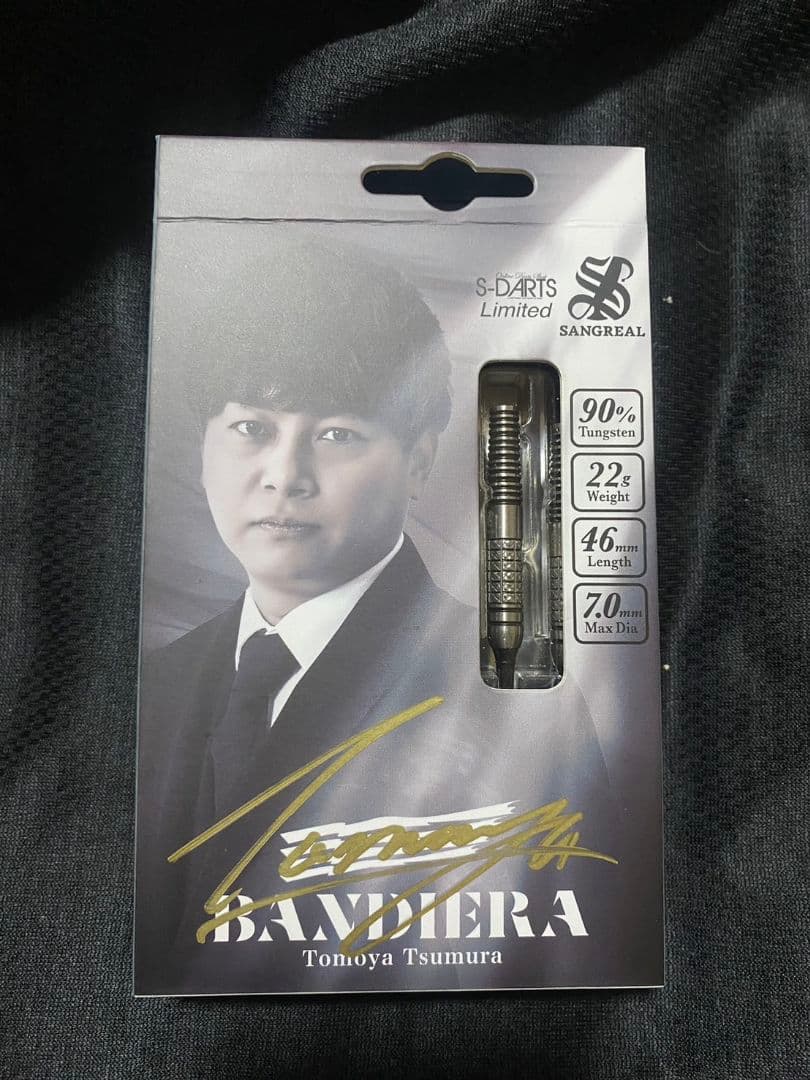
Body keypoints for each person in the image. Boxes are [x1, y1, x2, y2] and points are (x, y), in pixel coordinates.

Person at [134, 242, 484, 992]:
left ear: (420, 462)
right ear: (203, 447)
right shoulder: (155, 686)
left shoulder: (497, 697)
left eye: (336, 435)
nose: (284, 477)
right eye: (251, 428)